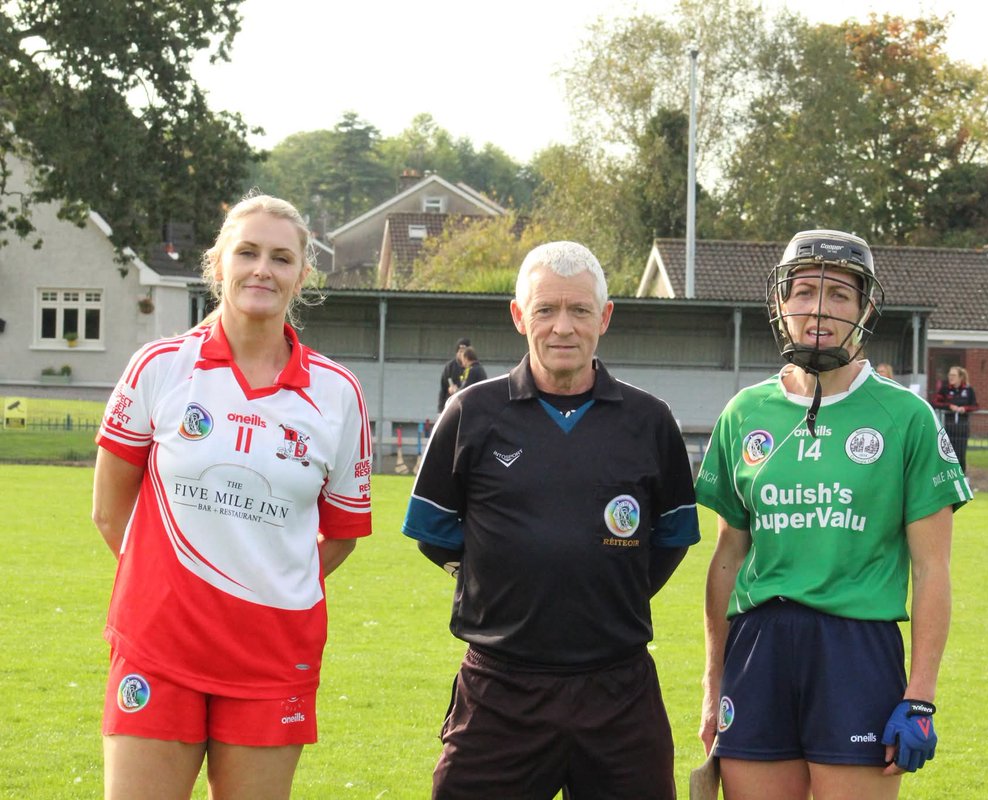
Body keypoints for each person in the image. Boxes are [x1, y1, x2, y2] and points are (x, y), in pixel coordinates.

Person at [91, 193, 373, 800]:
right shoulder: (160, 367)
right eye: (246, 253)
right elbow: (110, 511)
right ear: (218, 264)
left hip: (273, 656)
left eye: (280, 257)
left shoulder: (338, 393)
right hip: (159, 646)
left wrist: (262, 577)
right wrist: (176, 581)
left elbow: (343, 534)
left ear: (302, 274)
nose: (262, 270)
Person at [402, 241, 701, 799]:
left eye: (580, 310)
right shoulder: (471, 413)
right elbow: (435, 532)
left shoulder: (650, 420)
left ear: (604, 317)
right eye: (545, 310)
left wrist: (611, 586)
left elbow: (671, 540)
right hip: (499, 689)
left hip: (619, 690)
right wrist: (500, 578)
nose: (562, 327)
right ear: (520, 316)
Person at [696, 229, 971, 800]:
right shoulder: (744, 413)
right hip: (758, 650)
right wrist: (712, 678)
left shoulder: (908, 417)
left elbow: (933, 570)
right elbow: (727, 558)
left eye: (839, 294)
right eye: (802, 291)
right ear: (780, 303)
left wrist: (920, 694)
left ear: (865, 307)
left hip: (857, 651)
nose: (819, 309)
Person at [932, 366, 979, 472]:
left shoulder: (968, 390)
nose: (950, 377)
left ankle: (963, 477)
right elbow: (935, 402)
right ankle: (948, 478)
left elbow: (975, 406)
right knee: (947, 455)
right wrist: (949, 406)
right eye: (949, 375)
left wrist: (964, 409)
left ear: (960, 377)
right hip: (948, 428)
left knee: (961, 455)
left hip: (962, 428)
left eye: (953, 375)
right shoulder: (945, 389)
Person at [437, 337, 470, 412]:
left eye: (464, 351)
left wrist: (458, 391)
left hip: (467, 408)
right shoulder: (450, 367)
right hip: (451, 407)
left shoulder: (473, 368)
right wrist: (440, 410)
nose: (462, 354)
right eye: (460, 351)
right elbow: (443, 389)